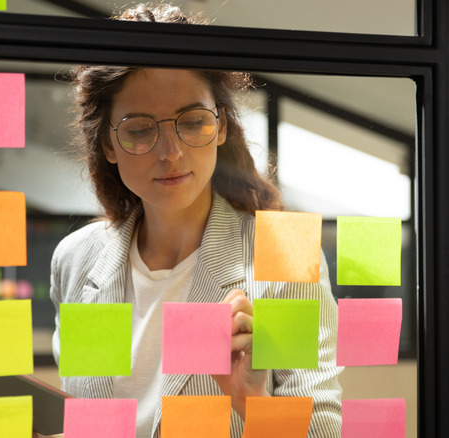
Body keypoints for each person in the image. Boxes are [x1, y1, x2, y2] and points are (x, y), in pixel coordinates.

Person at [49, 4, 342, 437]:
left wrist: (253, 404)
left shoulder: (284, 254)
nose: (170, 151)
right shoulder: (76, 259)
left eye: (192, 122)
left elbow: (322, 432)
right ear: (106, 145)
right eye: (139, 129)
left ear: (221, 127)